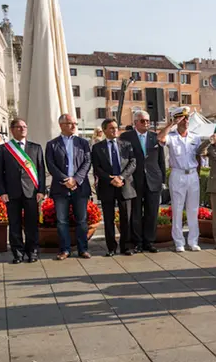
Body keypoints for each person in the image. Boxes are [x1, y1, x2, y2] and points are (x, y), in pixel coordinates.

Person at [0, 118, 45, 264]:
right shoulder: (4, 149)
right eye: (19, 127)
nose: (22, 129)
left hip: (31, 192)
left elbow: (41, 170)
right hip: (12, 192)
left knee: (31, 224)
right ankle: (17, 253)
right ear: (12, 130)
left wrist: (41, 190)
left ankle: (32, 251)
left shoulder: (35, 148)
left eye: (24, 126)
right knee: (14, 223)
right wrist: (2, 192)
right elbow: (0, 173)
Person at [46, 113, 92, 260]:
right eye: (70, 123)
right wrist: (66, 179)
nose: (73, 126)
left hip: (80, 187)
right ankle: (65, 249)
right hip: (61, 188)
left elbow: (87, 162)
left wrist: (76, 180)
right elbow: (51, 165)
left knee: (82, 220)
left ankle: (82, 249)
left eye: (75, 124)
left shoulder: (83, 143)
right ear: (61, 125)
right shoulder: (52, 144)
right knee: (62, 220)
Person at [120, 110, 165, 253]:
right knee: (136, 212)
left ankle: (149, 241)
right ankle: (137, 242)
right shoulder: (126, 137)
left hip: (153, 180)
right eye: (142, 121)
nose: (146, 123)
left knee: (152, 212)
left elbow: (161, 160)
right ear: (135, 123)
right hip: (134, 180)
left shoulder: (154, 137)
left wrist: (162, 179)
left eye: (147, 121)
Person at [92, 119, 137, 256]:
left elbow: (132, 162)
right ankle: (111, 247)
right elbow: (97, 167)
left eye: (116, 128)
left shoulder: (126, 145)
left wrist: (121, 177)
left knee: (126, 218)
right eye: (111, 128)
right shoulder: (98, 147)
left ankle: (126, 246)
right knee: (108, 218)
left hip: (124, 185)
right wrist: (110, 179)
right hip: (107, 186)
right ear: (104, 130)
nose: (114, 130)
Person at [165, 106, 202, 252]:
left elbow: (198, 156)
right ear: (177, 119)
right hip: (178, 174)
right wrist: (171, 124)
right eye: (183, 118)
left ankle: (193, 241)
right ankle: (179, 242)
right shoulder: (171, 136)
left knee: (193, 210)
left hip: (192, 174)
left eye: (187, 118)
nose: (186, 121)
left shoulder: (195, 137)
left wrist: (197, 173)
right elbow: (160, 138)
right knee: (178, 209)